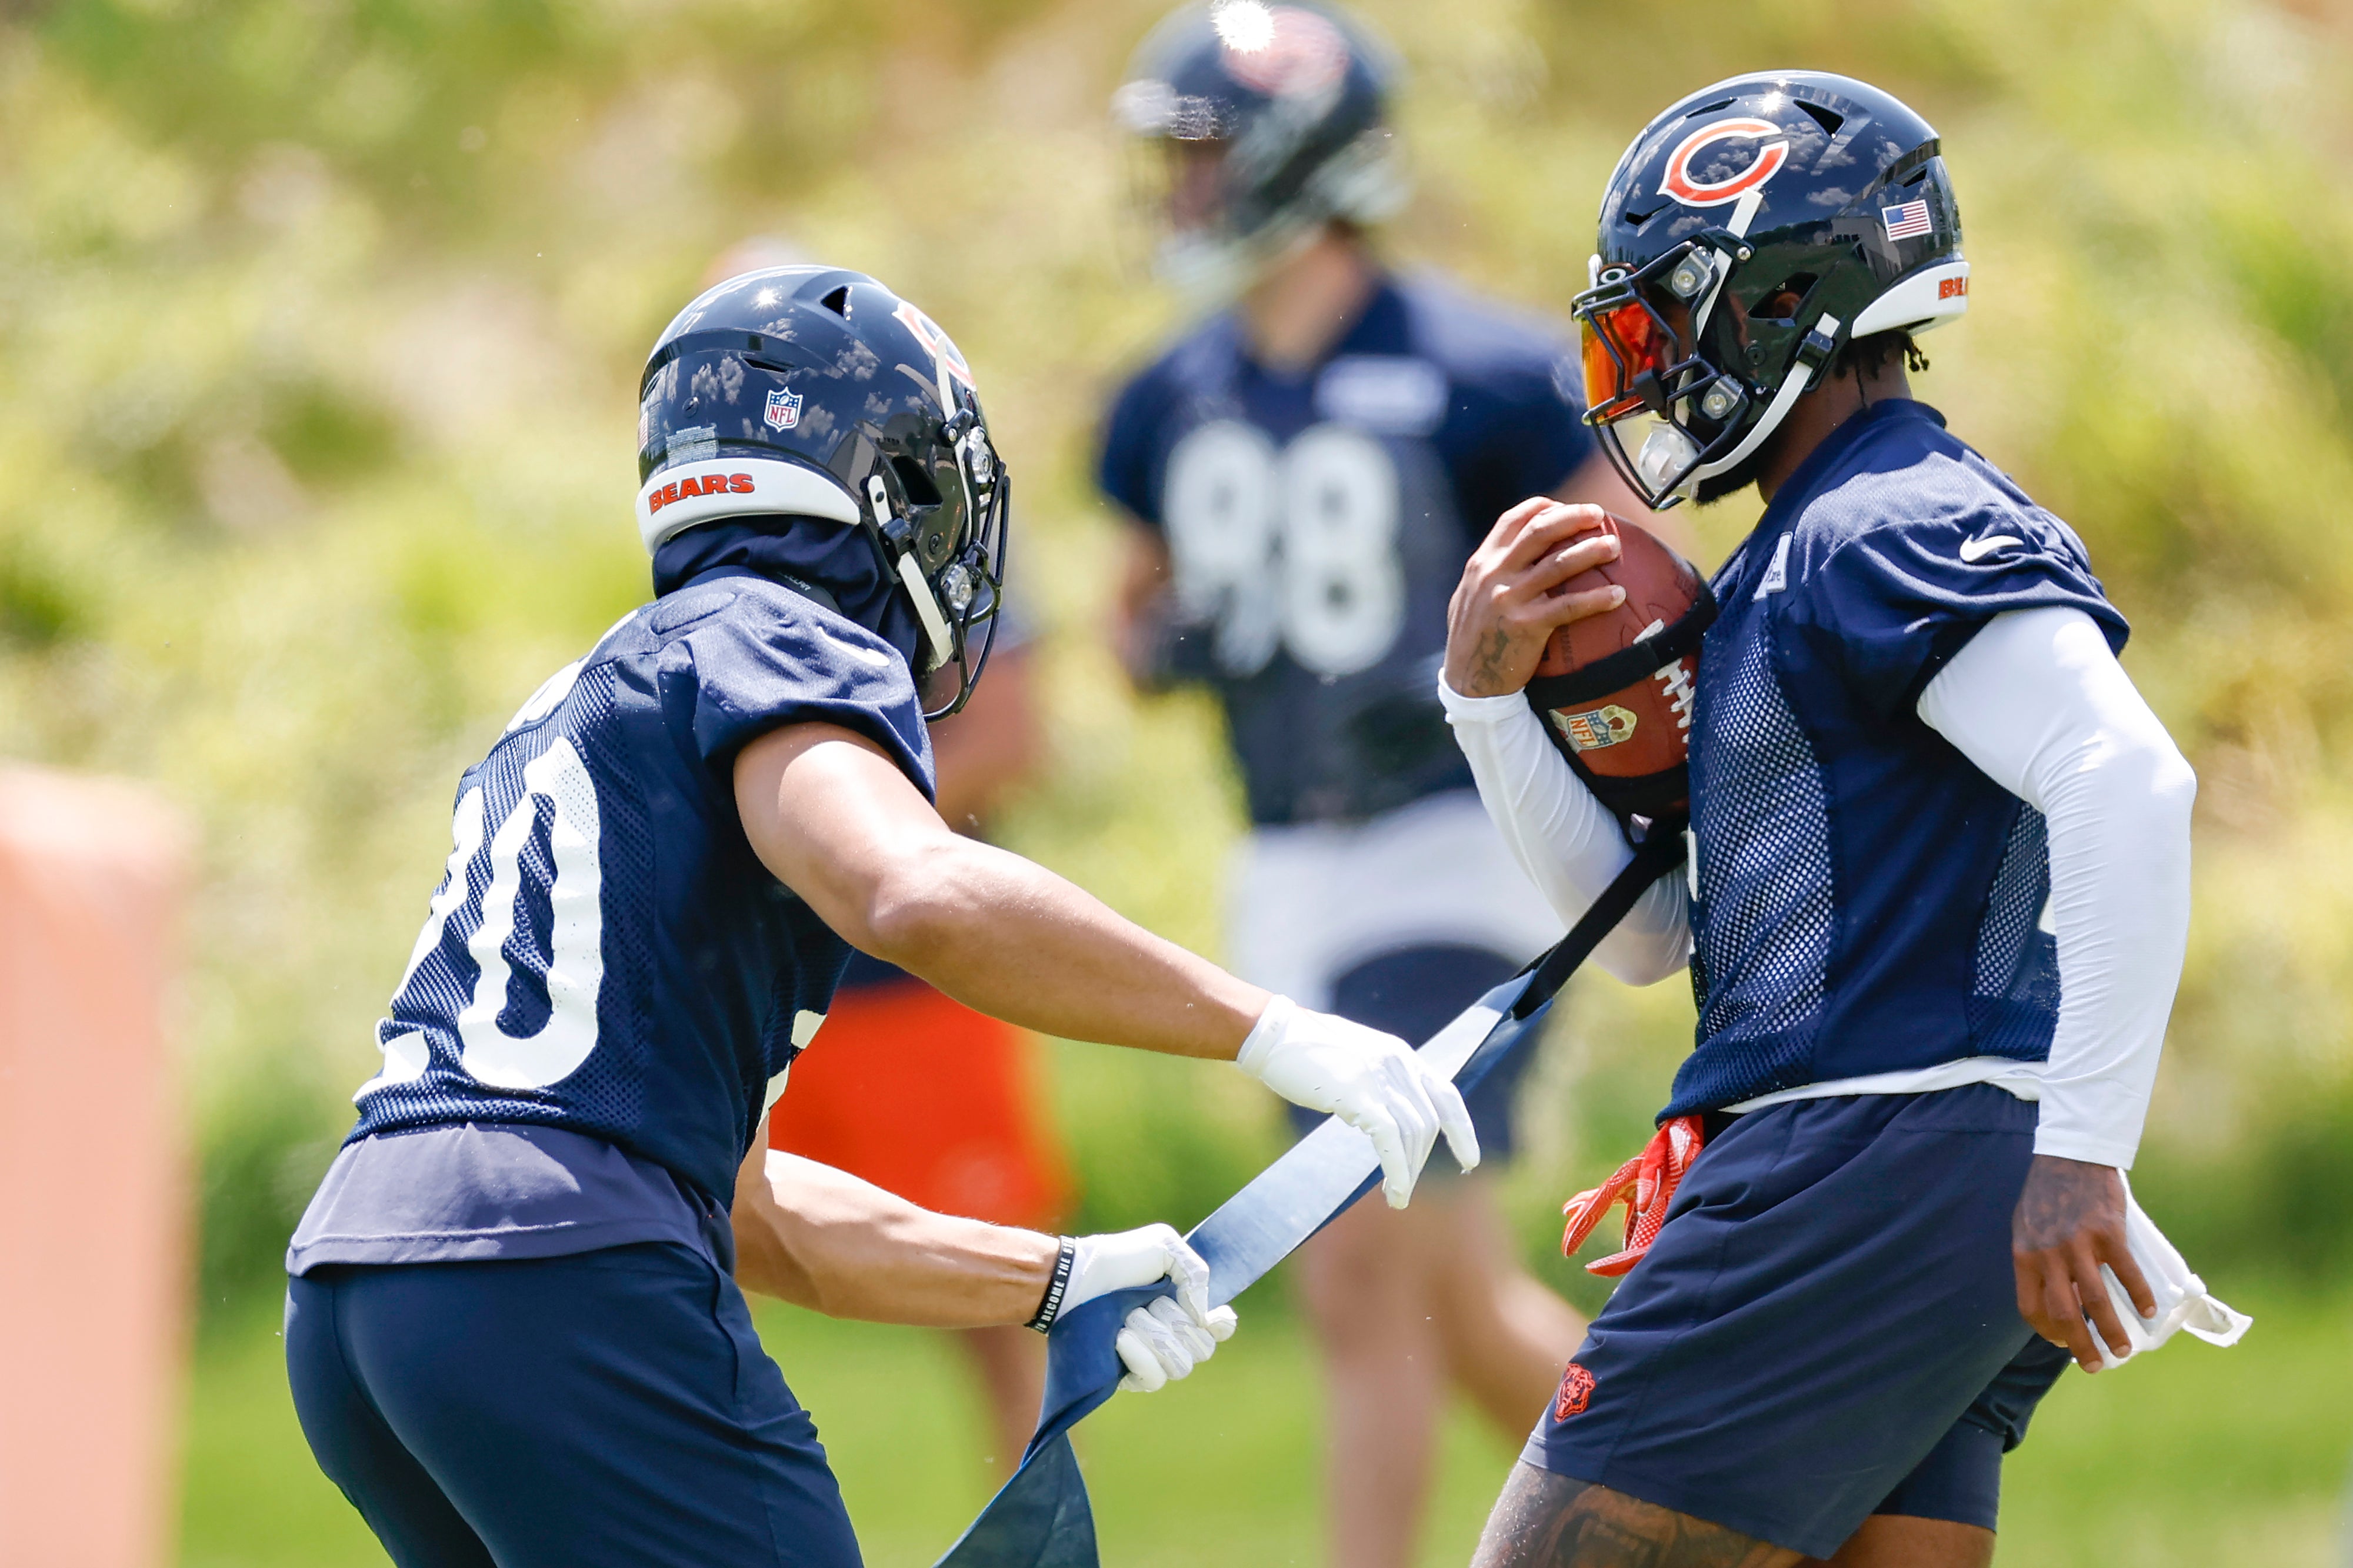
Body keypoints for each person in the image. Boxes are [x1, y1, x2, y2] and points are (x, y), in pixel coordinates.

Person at [279, 264, 1478, 1568]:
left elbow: (749, 1213)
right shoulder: (781, 636)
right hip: (559, 1267)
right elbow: (908, 886)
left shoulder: (609, 682)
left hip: (365, 1290)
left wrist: (1053, 1278)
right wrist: (1267, 1028)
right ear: (887, 484)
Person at [1441, 72, 2199, 1566]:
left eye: (1664, 321)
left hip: (1864, 1153)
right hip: (1909, 1162)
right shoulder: (1805, 545)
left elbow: (2129, 783)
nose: (1639, 365)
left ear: (1780, 302)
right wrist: (1483, 701)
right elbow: (1653, 937)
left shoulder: (1885, 520)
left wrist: (2084, 1146)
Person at [1098, 8, 1656, 1563]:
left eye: (1205, 153)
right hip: (1285, 863)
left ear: (1299, 157)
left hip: (1453, 843)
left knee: (1357, 1269)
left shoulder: (1477, 370)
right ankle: (1737, 1521)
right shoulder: (1173, 396)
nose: (1182, 186)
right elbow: (1130, 621)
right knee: (1459, 1305)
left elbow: (1629, 592)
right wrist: (1164, 637)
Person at [769, 620, 1074, 1478]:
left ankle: (1040, 1542)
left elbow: (1009, 738)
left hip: (916, 986)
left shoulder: (941, 512)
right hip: (759, 983)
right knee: (681, 1275)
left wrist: (819, 837)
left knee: (995, 1297)